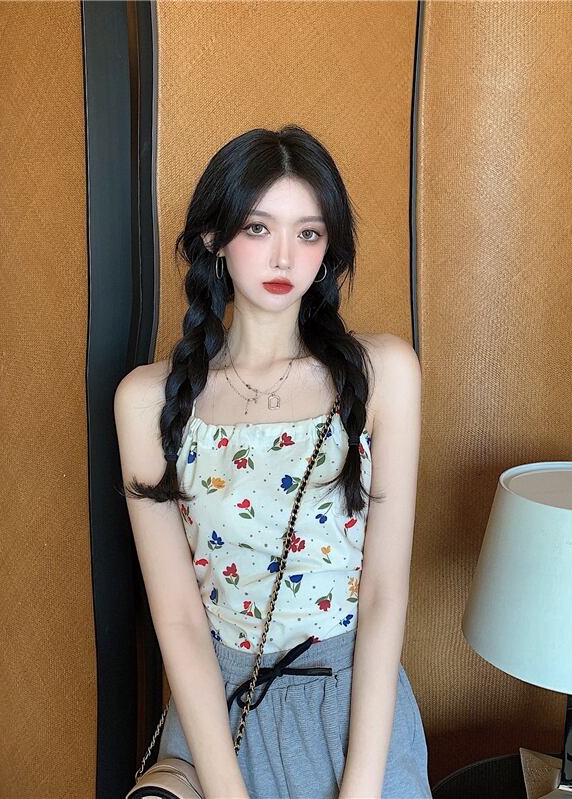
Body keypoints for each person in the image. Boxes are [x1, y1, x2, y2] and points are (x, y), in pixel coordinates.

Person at [114, 124, 431, 799]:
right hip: (220, 715)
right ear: (214, 238)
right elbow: (178, 617)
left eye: (308, 233)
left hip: (354, 708)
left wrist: (362, 785)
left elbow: (384, 594)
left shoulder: (383, 375)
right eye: (258, 228)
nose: (285, 254)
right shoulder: (148, 402)